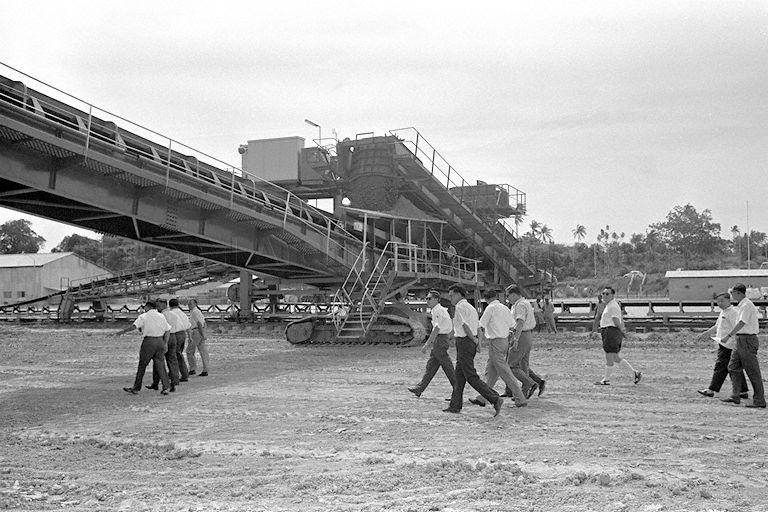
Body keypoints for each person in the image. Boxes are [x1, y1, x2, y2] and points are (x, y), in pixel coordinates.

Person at [444, 285, 504, 416]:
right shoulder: (471, 307)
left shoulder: (460, 307)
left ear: (459, 294)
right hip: (470, 342)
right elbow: (478, 327)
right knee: (459, 376)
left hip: (465, 341)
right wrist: (478, 342)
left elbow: (465, 326)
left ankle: (495, 398)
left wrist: (474, 340)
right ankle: (455, 405)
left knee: (470, 376)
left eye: (452, 295)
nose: (450, 298)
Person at [468, 289, 527, 408]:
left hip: (495, 342)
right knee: (490, 372)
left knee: (504, 372)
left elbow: (481, 325)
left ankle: (520, 398)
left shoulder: (490, 308)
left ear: (486, 299)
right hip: (504, 341)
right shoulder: (504, 308)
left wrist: (477, 340)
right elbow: (512, 325)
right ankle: (483, 397)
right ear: (496, 297)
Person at [719, 283, 765, 408]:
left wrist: (729, 335)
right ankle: (736, 395)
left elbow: (741, 323)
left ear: (738, 292)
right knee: (733, 367)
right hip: (740, 339)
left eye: (732, 292)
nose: (731, 295)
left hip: (747, 340)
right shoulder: (741, 305)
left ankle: (759, 400)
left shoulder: (746, 305)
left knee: (752, 372)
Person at [114, 300, 172, 395]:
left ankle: (136, 387)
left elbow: (134, 326)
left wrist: (122, 332)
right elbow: (168, 329)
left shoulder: (143, 316)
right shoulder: (161, 316)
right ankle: (166, 387)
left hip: (149, 341)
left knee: (142, 365)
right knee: (160, 365)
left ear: (147, 307)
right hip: (160, 341)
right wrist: (165, 343)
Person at [697, 292, 749, 398]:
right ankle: (742, 391)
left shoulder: (733, 312)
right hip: (723, 343)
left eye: (722, 301)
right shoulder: (723, 312)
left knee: (721, 367)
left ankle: (711, 390)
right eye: (718, 301)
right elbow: (717, 326)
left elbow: (738, 328)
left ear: (729, 300)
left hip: (729, 345)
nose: (720, 303)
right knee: (733, 367)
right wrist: (705, 333)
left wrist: (729, 338)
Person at [408, 290, 455, 397]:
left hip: (441, 339)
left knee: (448, 368)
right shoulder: (439, 310)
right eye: (427, 298)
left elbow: (436, 329)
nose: (427, 301)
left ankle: (457, 390)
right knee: (431, 366)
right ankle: (420, 388)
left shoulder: (437, 311)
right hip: (441, 339)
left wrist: (427, 344)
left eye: (429, 298)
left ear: (437, 300)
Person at [594, 286, 641, 386]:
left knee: (609, 356)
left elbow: (616, 320)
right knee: (615, 357)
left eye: (607, 294)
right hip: (609, 331)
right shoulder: (609, 305)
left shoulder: (612, 306)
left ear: (612, 295)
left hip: (611, 332)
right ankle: (635, 374)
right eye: (603, 293)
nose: (604, 295)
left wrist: (621, 331)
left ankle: (606, 379)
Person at [505, 286, 545, 399]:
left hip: (521, 335)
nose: (508, 298)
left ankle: (530, 383)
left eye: (508, 296)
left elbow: (520, 322)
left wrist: (515, 339)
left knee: (511, 366)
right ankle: (524, 393)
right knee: (524, 365)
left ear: (514, 294)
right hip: (527, 335)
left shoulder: (520, 305)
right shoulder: (524, 303)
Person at [186, 298, 210, 377]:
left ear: (195, 304)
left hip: (196, 331)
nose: (189, 305)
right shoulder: (197, 311)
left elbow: (199, 323)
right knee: (203, 351)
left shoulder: (195, 312)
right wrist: (203, 332)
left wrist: (202, 334)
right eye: (188, 304)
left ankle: (192, 369)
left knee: (190, 351)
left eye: (190, 304)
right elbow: (204, 323)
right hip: (199, 331)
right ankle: (205, 369)